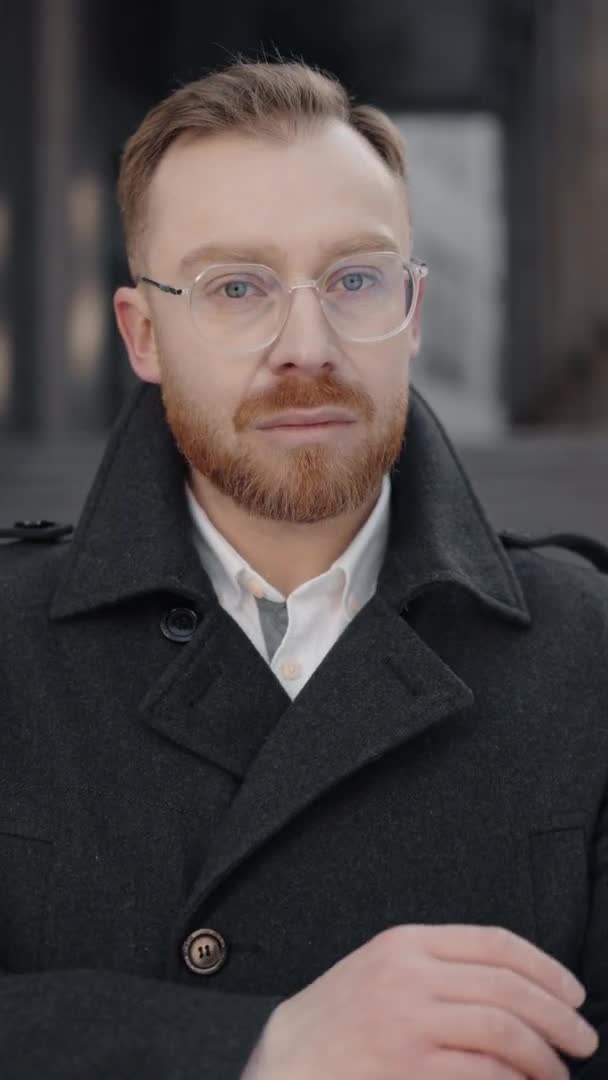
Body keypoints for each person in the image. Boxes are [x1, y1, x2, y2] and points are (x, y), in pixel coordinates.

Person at [0, 59, 607, 1080]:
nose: (305, 343)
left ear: (411, 312)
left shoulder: (585, 648)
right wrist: (256, 1045)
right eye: (235, 287)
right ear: (142, 334)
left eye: (354, 278)